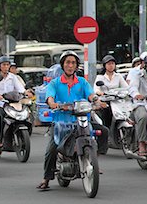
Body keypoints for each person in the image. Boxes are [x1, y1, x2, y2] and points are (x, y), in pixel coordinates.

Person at [36, 51, 101, 190]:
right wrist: (53, 103)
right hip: (61, 121)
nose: (70, 66)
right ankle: (46, 178)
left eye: (73, 63)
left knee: (95, 135)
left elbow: (91, 95)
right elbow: (50, 97)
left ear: (76, 66)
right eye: (67, 63)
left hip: (81, 119)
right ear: (63, 65)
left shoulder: (82, 82)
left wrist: (97, 101)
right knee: (51, 149)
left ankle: (92, 162)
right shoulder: (55, 83)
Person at [0, 55, 26, 156]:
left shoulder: (13, 77)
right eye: (4, 65)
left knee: (24, 114)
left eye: (7, 65)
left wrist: (26, 93)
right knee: (0, 118)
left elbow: (21, 89)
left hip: (11, 103)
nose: (6, 67)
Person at [129, 53, 147, 156]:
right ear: (146, 64)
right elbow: (132, 88)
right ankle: (142, 142)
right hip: (142, 103)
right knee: (143, 117)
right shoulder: (138, 75)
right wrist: (137, 94)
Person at [94, 55, 128, 128]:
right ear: (104, 65)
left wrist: (124, 92)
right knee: (106, 114)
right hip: (105, 100)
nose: (111, 66)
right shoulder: (100, 77)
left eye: (113, 63)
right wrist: (99, 92)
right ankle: (107, 130)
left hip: (117, 100)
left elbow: (126, 87)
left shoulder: (118, 76)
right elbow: (96, 89)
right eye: (109, 64)